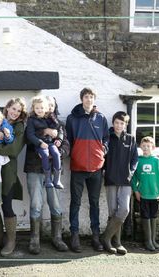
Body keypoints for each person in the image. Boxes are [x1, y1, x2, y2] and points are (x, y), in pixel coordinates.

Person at [66, 87, 109, 252]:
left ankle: (95, 236)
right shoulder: (72, 118)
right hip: (78, 167)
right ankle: (74, 235)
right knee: (75, 203)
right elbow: (68, 140)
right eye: (86, 97)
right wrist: (75, 154)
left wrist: (103, 150)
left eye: (91, 97)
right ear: (81, 99)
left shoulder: (101, 118)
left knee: (94, 203)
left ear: (94, 99)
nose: (89, 100)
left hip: (96, 169)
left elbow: (106, 138)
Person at [24, 95, 69, 254]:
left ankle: (57, 238)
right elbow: (27, 139)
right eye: (46, 104)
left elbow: (66, 147)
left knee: (55, 205)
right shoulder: (32, 121)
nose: (49, 107)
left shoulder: (60, 125)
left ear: (54, 107)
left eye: (51, 104)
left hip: (53, 172)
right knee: (36, 204)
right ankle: (35, 239)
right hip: (34, 169)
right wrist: (44, 131)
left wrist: (57, 152)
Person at [0, 97, 27, 257]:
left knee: (6, 206)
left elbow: (14, 149)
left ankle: (11, 241)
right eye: (13, 108)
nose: (15, 113)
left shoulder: (20, 127)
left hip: (7, 172)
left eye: (18, 110)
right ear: (7, 108)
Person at [100, 111, 138, 254]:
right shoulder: (107, 138)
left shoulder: (131, 139)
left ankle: (107, 238)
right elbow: (101, 156)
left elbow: (135, 159)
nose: (119, 125)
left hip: (125, 180)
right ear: (113, 123)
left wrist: (131, 172)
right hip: (110, 179)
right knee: (113, 211)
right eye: (116, 122)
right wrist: (103, 170)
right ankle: (115, 243)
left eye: (122, 123)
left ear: (126, 125)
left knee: (124, 210)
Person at [131, 136, 159, 251]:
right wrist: (136, 190)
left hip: (155, 194)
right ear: (140, 147)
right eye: (143, 146)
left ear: (153, 147)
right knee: (145, 216)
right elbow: (133, 177)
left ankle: (153, 240)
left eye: (148, 146)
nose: (146, 148)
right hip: (143, 194)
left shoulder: (157, 161)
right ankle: (147, 241)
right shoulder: (138, 160)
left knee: (153, 216)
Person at [26, 95, 64, 189]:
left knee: (56, 153)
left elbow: (60, 129)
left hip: (50, 143)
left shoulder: (50, 118)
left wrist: (59, 138)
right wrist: (40, 142)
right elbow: (30, 135)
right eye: (37, 108)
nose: (39, 110)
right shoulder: (31, 120)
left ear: (46, 108)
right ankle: (47, 179)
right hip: (40, 145)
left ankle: (57, 179)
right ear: (33, 108)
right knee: (45, 154)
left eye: (42, 107)